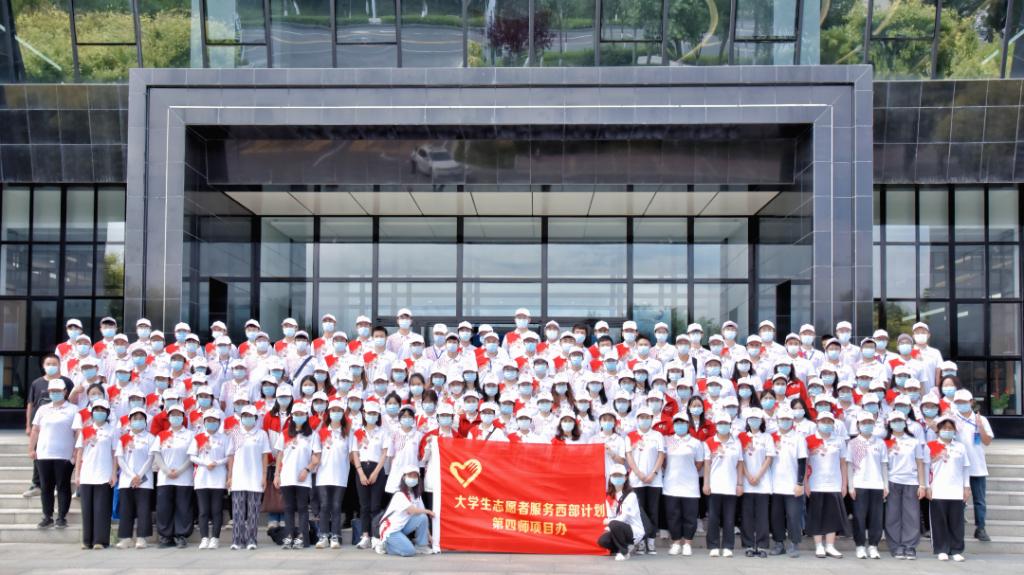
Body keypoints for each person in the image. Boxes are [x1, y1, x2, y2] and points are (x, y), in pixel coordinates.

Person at [29, 377, 77, 529]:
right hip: (44, 453)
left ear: (65, 392)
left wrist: (76, 452)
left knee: (63, 486)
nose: (55, 393)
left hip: (64, 455)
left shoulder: (73, 409)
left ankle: (62, 517)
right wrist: (31, 448)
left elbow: (77, 432)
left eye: (58, 391)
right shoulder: (43, 409)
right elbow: (35, 430)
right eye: (52, 391)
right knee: (46, 487)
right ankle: (47, 516)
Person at [23, 354, 74, 498]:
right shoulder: (37, 383)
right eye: (48, 364)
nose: (51, 366)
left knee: (60, 459)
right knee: (39, 456)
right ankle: (36, 484)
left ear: (59, 365)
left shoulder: (67, 382)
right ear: (43, 366)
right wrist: (28, 425)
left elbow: (72, 401)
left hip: (61, 426)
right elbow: (30, 404)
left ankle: (59, 485)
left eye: (54, 364)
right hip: (41, 425)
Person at [273, 400, 321, 549]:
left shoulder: (312, 435)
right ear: (292, 416)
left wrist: (307, 469)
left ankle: (302, 537)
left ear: (306, 416)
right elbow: (280, 455)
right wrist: (277, 474)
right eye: (296, 414)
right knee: (288, 508)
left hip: (303, 478)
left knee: (302, 508)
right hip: (287, 476)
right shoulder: (285, 433)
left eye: (301, 414)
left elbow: (316, 457)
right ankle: (289, 536)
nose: (299, 416)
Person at [73, 399, 118, 549]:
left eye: (102, 410)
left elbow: (114, 454)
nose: (99, 413)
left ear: (107, 413)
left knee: (101, 509)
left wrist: (114, 473)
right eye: (96, 410)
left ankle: (100, 540)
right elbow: (79, 453)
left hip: (104, 474)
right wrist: (77, 474)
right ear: (92, 413)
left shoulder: (112, 430)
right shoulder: (86, 430)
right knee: (87, 510)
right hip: (87, 474)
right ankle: (87, 541)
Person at [951, 388, 994, 541]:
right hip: (958, 467)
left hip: (977, 466)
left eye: (964, 402)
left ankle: (980, 528)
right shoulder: (951, 419)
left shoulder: (981, 419)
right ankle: (956, 527)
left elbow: (987, 441)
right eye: (958, 402)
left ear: (971, 402)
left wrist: (979, 426)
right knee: (958, 499)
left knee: (979, 500)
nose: (961, 405)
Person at [227, 405, 272, 550]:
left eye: (250, 416)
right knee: (237, 511)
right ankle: (237, 540)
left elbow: (265, 456)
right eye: (245, 416)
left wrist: (264, 476)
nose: (247, 418)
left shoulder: (261, 434)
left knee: (253, 511)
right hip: (238, 477)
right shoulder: (235, 433)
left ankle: (252, 540)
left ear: (255, 418)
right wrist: (230, 476)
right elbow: (231, 456)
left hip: (255, 477)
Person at [883, 410, 926, 560]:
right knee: (892, 516)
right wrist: (884, 485)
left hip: (911, 482)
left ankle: (909, 546)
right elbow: (883, 465)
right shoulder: (885, 442)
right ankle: (896, 546)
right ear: (889, 424)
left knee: (911, 516)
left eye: (900, 421)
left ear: (905, 423)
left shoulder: (913, 441)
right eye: (894, 421)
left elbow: (920, 463)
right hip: (892, 481)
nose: (897, 423)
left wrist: (922, 485)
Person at [151, 403, 194, 548]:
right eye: (173, 415)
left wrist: (180, 471)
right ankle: (165, 536)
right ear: (168, 417)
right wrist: (166, 470)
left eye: (178, 415)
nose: (175, 417)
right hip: (165, 478)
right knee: (164, 508)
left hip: (184, 477)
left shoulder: (189, 435)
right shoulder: (162, 435)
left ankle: (181, 535)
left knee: (183, 507)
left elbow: (192, 455)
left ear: (183, 417)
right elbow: (156, 454)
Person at [928, 415, 971, 562]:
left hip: (956, 490)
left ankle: (956, 550)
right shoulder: (931, 445)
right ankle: (941, 549)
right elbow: (926, 468)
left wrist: (966, 487)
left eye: (950, 428)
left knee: (956, 522)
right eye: (944, 428)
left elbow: (965, 468)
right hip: (938, 489)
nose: (947, 430)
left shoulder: (960, 447)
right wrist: (927, 486)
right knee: (939, 522)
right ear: (939, 430)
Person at [806, 411, 847, 558]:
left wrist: (844, 484)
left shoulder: (839, 441)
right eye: (823, 421)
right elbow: (805, 463)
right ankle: (819, 546)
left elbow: (843, 464)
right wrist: (805, 483)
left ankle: (830, 546)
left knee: (832, 516)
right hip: (815, 483)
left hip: (834, 483)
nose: (826, 424)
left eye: (829, 421)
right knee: (817, 515)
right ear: (817, 423)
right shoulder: (809, 440)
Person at [847, 411, 887, 559]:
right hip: (859, 483)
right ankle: (860, 546)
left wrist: (886, 485)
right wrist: (850, 486)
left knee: (876, 517)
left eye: (870, 422)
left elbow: (883, 465)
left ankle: (873, 546)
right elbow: (849, 466)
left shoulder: (880, 442)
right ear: (858, 425)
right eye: (864, 423)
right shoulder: (853, 443)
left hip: (877, 484)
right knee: (859, 516)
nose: (867, 425)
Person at [703, 411, 744, 557]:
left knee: (729, 518)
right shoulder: (709, 442)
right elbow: (707, 464)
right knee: (713, 517)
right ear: (716, 425)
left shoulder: (736, 442)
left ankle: (728, 546)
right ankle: (713, 545)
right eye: (720, 423)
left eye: (726, 423)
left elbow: (740, 464)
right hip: (714, 486)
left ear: (730, 425)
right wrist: (706, 483)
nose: (723, 426)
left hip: (731, 486)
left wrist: (740, 484)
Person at [189, 408, 231, 550]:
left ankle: (215, 538)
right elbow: (192, 456)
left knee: (216, 510)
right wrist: (205, 463)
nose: (211, 423)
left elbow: (228, 456)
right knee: (203, 511)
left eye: (214, 421)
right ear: (204, 422)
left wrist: (216, 463)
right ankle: (204, 538)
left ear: (219, 422)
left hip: (218, 477)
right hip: (202, 477)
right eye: (209, 420)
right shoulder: (198, 437)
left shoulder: (224, 438)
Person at [662, 413, 703, 556]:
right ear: (673, 425)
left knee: (690, 516)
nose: (680, 425)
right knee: (673, 516)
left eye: (683, 423)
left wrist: (688, 471)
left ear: (688, 424)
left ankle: (687, 544)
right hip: (671, 484)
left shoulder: (695, 443)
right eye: (677, 423)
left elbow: (699, 463)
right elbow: (664, 461)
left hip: (690, 486)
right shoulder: (667, 441)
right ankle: (676, 543)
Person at [115, 407, 156, 549]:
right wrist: (132, 475)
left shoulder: (150, 438)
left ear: (145, 421)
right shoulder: (124, 438)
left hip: (145, 480)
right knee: (126, 509)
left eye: (141, 419)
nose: (138, 421)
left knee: (143, 509)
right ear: (130, 421)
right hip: (127, 480)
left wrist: (140, 475)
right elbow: (120, 459)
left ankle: (141, 538)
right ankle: (126, 538)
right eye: (135, 419)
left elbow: (151, 458)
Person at [625, 407, 664, 554]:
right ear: (637, 419)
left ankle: (651, 542)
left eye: (647, 417)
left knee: (653, 511)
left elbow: (661, 455)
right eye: (642, 417)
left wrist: (653, 473)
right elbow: (629, 456)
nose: (644, 420)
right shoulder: (631, 436)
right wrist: (639, 473)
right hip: (636, 480)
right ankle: (640, 542)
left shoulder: (657, 435)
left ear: (652, 419)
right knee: (638, 511)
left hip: (655, 480)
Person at [769, 406, 806, 557]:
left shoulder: (798, 438)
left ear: (792, 421)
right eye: (782, 419)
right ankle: (779, 543)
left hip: (792, 485)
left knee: (793, 516)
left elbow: (802, 461)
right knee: (776, 516)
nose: (785, 421)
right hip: (774, 484)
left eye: (788, 419)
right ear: (777, 420)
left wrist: (800, 483)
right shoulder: (771, 437)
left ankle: (794, 543)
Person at [315, 398, 352, 549]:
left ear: (343, 414)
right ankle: (323, 536)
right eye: (333, 410)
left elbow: (351, 454)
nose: (336, 413)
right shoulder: (321, 432)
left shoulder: (347, 433)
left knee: (336, 506)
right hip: (323, 475)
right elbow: (315, 453)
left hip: (340, 475)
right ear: (329, 413)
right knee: (324, 506)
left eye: (339, 411)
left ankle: (335, 536)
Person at [352, 399, 389, 549]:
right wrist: (360, 472)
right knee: (364, 506)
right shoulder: (358, 432)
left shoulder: (383, 432)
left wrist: (375, 473)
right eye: (369, 413)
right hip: (362, 469)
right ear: (364, 414)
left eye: (375, 413)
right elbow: (355, 453)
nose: (372, 416)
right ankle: (365, 536)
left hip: (377, 470)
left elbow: (384, 454)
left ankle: (375, 536)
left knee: (375, 505)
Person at [739, 407, 775, 557]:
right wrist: (748, 476)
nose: (754, 421)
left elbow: (769, 458)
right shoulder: (741, 437)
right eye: (751, 419)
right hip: (746, 481)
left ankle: (762, 545)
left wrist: (758, 475)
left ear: (761, 421)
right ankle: (748, 545)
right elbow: (740, 459)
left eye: (757, 419)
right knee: (747, 515)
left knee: (762, 515)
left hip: (763, 481)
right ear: (747, 421)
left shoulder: (767, 437)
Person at [377, 466, 434, 556]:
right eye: (410, 475)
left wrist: (429, 536)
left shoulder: (416, 496)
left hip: (403, 527)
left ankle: (421, 546)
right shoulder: (399, 494)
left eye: (415, 476)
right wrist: (428, 511)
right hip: (391, 530)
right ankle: (385, 546)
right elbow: (412, 511)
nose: (412, 478)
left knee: (423, 517)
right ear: (404, 477)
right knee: (409, 551)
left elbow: (422, 515)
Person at [598, 464, 645, 561]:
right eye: (614, 475)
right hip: (617, 528)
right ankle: (625, 546)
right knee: (603, 540)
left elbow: (623, 518)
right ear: (610, 478)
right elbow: (611, 516)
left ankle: (624, 552)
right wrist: (609, 526)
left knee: (614, 524)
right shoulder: (609, 497)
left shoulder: (631, 495)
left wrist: (608, 524)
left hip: (634, 530)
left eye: (620, 475)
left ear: (625, 477)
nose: (617, 478)